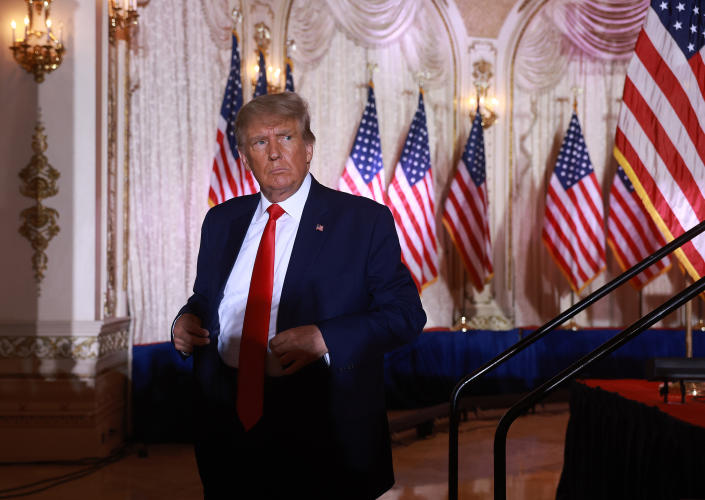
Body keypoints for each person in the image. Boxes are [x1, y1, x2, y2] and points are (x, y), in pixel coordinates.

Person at [172, 91, 426, 499]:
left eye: (286, 138)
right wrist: (185, 321)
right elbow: (207, 298)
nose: (274, 153)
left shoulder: (362, 221)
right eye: (260, 142)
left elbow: (405, 315)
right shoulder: (221, 221)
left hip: (323, 429)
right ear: (244, 156)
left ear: (308, 148)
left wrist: (326, 337)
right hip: (227, 426)